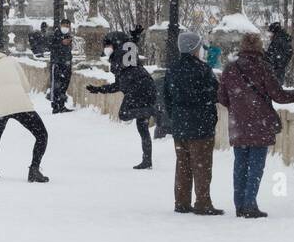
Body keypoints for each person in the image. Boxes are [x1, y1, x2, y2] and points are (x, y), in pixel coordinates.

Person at [218, 32, 294, 218]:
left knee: (240, 165)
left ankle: (240, 205)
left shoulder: (230, 69)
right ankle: (250, 204)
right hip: (260, 124)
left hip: (238, 126)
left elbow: (222, 98)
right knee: (256, 166)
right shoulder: (263, 68)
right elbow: (279, 96)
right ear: (259, 47)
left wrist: (239, 108)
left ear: (242, 47)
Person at [162, 31, 223, 216]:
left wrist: (175, 116)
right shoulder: (203, 70)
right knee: (202, 166)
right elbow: (214, 94)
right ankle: (203, 202)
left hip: (180, 125)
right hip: (201, 125)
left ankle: (181, 201)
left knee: (182, 165)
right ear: (194, 49)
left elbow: (167, 97)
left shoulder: (172, 69)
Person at [0, 47, 49, 182]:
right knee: (41, 135)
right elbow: (26, 86)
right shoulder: (10, 61)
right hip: (19, 103)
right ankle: (34, 170)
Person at [86, 33, 158, 169]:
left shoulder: (117, 57)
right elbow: (129, 53)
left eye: (108, 45)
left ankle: (152, 111)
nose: (107, 49)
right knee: (142, 127)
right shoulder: (128, 53)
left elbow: (118, 85)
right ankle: (147, 160)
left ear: (115, 44)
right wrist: (134, 39)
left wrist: (99, 89)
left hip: (135, 89)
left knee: (124, 114)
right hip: (148, 86)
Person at [48, 21, 75, 114]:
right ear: (60, 26)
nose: (66, 27)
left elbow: (68, 50)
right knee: (56, 85)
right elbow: (50, 46)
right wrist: (61, 43)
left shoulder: (68, 36)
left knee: (64, 85)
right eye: (64, 25)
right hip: (56, 64)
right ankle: (55, 106)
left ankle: (62, 104)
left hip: (66, 64)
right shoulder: (55, 35)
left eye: (68, 26)